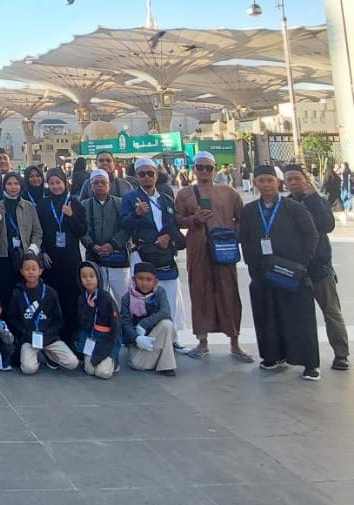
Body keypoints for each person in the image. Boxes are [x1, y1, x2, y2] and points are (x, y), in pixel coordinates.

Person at [239, 164, 320, 380]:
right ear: (255, 183)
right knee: (267, 316)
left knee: (299, 318)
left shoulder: (293, 208)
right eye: (261, 181)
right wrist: (253, 266)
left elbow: (311, 235)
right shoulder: (249, 211)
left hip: (291, 272)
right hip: (263, 274)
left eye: (270, 180)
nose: (266, 185)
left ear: (278, 182)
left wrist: (301, 264)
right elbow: (245, 239)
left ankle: (310, 363)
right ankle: (272, 356)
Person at [174, 151, 252, 363]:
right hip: (198, 249)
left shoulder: (228, 192)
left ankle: (235, 341)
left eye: (208, 167)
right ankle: (202, 341)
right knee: (200, 291)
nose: (204, 171)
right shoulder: (185, 194)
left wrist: (231, 234)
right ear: (194, 169)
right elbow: (177, 219)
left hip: (223, 250)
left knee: (228, 292)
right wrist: (194, 219)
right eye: (200, 167)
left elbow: (241, 217)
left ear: (214, 169)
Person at [284, 165, 349, 371]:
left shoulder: (318, 201)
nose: (293, 182)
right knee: (300, 316)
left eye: (297, 178)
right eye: (289, 179)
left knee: (331, 312)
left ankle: (341, 354)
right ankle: (304, 356)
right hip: (296, 269)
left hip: (320, 268)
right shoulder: (285, 204)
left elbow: (327, 225)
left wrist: (312, 199)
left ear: (306, 179)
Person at [120, 158, 187, 349]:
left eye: (150, 173)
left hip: (164, 254)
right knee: (142, 297)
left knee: (170, 295)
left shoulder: (165, 199)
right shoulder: (130, 199)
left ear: (156, 175)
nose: (147, 177)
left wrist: (167, 236)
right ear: (136, 176)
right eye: (142, 174)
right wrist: (137, 214)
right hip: (143, 254)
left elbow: (173, 223)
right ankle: (142, 335)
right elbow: (124, 224)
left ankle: (172, 339)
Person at [38, 168, 86, 344]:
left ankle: (71, 333)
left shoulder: (75, 203)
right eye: (51, 183)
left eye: (58, 182)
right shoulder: (43, 204)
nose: (55, 186)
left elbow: (82, 230)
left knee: (71, 296)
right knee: (52, 295)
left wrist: (71, 216)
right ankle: (53, 332)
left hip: (70, 258)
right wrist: (42, 250)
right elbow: (39, 231)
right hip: (51, 258)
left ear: (65, 183)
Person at [8, 253, 78, 374]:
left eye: (34, 269)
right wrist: (24, 332)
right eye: (27, 269)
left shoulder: (50, 292)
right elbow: (12, 317)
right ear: (21, 271)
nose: (30, 272)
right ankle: (34, 356)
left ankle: (49, 355)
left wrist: (49, 333)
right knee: (29, 369)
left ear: (40, 271)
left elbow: (58, 320)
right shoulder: (17, 293)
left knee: (72, 363)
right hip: (29, 339)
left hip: (48, 337)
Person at [0, 172, 41, 312]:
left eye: (16, 184)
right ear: (4, 186)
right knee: (4, 294)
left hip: (24, 257)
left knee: (24, 294)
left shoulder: (29, 206)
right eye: (9, 184)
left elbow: (37, 232)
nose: (12, 187)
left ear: (21, 186)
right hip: (4, 257)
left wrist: (31, 251)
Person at [80, 170, 130, 307]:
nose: (99, 185)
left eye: (103, 182)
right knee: (97, 298)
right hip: (95, 258)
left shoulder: (120, 203)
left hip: (117, 257)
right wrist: (92, 246)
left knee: (123, 298)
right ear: (91, 187)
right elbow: (82, 230)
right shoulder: (84, 205)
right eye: (96, 183)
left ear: (109, 185)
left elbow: (126, 228)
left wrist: (113, 244)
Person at [120, 263, 178, 374]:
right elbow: (125, 323)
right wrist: (136, 338)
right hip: (138, 342)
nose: (144, 283)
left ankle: (166, 366)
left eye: (149, 279)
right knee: (137, 364)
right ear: (134, 279)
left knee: (167, 324)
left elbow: (165, 312)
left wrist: (144, 324)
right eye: (140, 279)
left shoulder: (160, 292)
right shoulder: (127, 298)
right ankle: (160, 358)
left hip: (158, 336)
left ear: (155, 281)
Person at [76, 261, 120, 379]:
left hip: (106, 339)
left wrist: (111, 346)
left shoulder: (107, 298)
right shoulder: (82, 298)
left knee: (103, 373)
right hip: (90, 338)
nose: (88, 279)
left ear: (98, 277)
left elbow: (116, 327)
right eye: (84, 277)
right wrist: (90, 310)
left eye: (92, 276)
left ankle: (113, 361)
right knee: (90, 370)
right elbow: (83, 324)